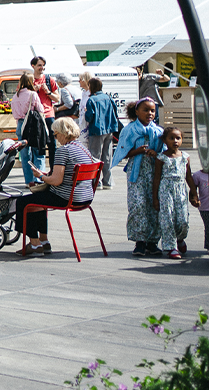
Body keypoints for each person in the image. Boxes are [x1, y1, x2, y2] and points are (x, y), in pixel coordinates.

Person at [14, 117, 98, 256]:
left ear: (63, 133)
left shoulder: (63, 151)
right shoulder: (83, 149)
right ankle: (44, 241)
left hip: (66, 197)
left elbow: (56, 181)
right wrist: (47, 175)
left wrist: (40, 176)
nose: (55, 137)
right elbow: (66, 174)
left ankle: (35, 244)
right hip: (85, 197)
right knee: (39, 200)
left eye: (55, 133)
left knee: (23, 202)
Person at [113, 97, 164, 256]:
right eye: (146, 110)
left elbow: (166, 152)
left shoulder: (159, 131)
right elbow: (122, 152)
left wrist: (157, 154)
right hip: (137, 173)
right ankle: (139, 242)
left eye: (153, 110)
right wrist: (138, 151)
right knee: (138, 205)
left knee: (154, 206)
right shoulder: (129, 130)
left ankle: (152, 242)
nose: (150, 113)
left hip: (155, 174)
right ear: (136, 112)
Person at [151, 127, 196, 259]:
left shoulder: (185, 157)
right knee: (167, 218)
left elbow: (188, 177)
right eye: (171, 138)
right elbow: (157, 178)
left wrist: (194, 193)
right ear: (165, 140)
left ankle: (180, 238)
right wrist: (155, 198)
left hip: (181, 190)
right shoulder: (161, 158)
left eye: (178, 138)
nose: (175, 141)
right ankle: (171, 247)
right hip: (166, 190)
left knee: (183, 219)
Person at [82, 77, 120, 189]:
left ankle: (96, 182)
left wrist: (85, 113)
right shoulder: (108, 97)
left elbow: (89, 117)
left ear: (91, 86)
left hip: (97, 130)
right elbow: (115, 112)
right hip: (109, 129)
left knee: (95, 156)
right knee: (107, 156)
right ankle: (108, 182)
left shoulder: (92, 100)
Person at [11, 73, 48, 185]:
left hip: (21, 126)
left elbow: (14, 113)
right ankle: (39, 179)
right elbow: (40, 109)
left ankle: (29, 181)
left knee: (25, 155)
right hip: (33, 125)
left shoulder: (15, 96)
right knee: (38, 151)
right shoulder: (32, 94)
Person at [29, 56, 59, 133]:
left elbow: (57, 99)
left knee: (52, 141)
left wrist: (48, 92)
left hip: (48, 114)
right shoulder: (28, 80)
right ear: (33, 66)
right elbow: (21, 96)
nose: (42, 67)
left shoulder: (49, 80)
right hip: (34, 114)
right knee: (37, 142)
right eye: (39, 65)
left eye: (43, 65)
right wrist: (33, 90)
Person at [192, 161, 209, 251]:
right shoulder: (198, 175)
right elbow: (193, 190)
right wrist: (194, 199)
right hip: (205, 207)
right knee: (208, 226)